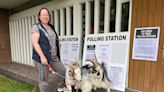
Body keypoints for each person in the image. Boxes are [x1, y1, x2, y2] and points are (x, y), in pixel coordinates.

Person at [31, 8, 66, 92]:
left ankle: (60, 88)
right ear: (39, 17)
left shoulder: (51, 27)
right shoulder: (36, 27)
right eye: (43, 14)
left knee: (62, 71)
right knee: (44, 79)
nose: (45, 16)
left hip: (53, 57)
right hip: (42, 58)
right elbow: (35, 42)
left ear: (49, 17)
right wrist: (42, 57)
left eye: (47, 14)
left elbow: (51, 39)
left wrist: (57, 45)